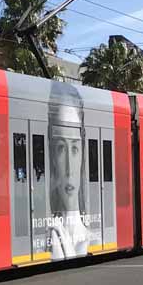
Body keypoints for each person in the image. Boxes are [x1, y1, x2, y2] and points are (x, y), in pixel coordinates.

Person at [47, 82, 89, 260]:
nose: (69, 169)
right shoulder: (49, 237)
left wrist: (69, 255)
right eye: (60, 148)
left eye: (74, 149)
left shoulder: (93, 239)